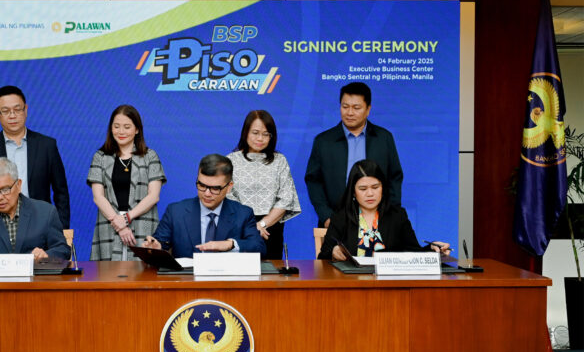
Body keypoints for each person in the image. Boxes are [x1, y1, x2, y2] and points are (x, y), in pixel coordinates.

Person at [0, 85, 70, 229]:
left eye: (17, 109)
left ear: (26, 110)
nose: (12, 115)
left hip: (41, 224)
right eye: (5, 111)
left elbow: (61, 193)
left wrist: (62, 228)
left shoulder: (47, 145)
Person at [305, 82, 403, 229]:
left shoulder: (384, 138)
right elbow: (313, 181)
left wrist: (389, 216)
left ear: (368, 109)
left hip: (378, 222)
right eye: (345, 107)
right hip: (335, 221)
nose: (349, 113)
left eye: (356, 108)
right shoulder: (323, 141)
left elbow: (394, 178)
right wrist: (326, 216)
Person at [318, 159, 448, 261]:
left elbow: (413, 253)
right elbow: (323, 256)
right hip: (352, 286)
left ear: (383, 188)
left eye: (375, 187)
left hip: (390, 285)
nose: (370, 194)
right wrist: (334, 251)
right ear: (353, 192)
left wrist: (432, 248)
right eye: (363, 189)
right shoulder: (341, 216)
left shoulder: (397, 215)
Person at [142, 154, 266, 258]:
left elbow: (259, 248)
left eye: (215, 188)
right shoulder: (176, 211)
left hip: (226, 283)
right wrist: (156, 247)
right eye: (202, 185)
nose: (207, 193)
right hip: (187, 282)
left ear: (229, 187)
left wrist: (231, 244)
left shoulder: (243, 214)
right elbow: (159, 243)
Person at [87, 105, 166, 261]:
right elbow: (98, 197)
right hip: (109, 223)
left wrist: (126, 219)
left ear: (137, 129)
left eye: (127, 127)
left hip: (142, 221)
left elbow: (154, 196)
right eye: (116, 127)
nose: (121, 132)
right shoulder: (100, 156)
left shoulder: (150, 156)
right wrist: (117, 222)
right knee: (108, 276)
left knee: (143, 273)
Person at [227, 110, 301, 260]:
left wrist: (262, 224)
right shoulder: (231, 160)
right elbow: (228, 196)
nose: (260, 138)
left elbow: (286, 198)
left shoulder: (280, 160)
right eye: (255, 133)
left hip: (270, 230)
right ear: (245, 132)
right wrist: (250, 226)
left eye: (266, 134)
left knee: (271, 275)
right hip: (239, 228)